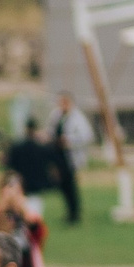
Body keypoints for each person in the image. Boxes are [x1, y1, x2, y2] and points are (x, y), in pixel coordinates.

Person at [46, 92, 94, 224]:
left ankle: (75, 213)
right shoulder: (56, 116)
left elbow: (87, 136)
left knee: (71, 186)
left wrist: (69, 141)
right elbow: (51, 130)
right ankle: (68, 212)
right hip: (57, 156)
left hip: (70, 157)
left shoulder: (77, 118)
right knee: (62, 186)